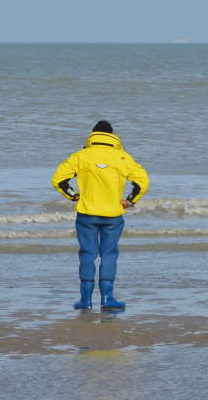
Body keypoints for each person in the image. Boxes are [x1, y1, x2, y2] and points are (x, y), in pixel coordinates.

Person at [51, 120, 150, 310]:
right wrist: (130, 201)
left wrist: (73, 196)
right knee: (109, 254)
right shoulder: (122, 157)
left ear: (92, 135)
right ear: (112, 135)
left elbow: (58, 180)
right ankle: (107, 299)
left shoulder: (80, 156)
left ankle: (85, 300)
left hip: (86, 214)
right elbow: (142, 182)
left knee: (87, 254)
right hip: (113, 215)